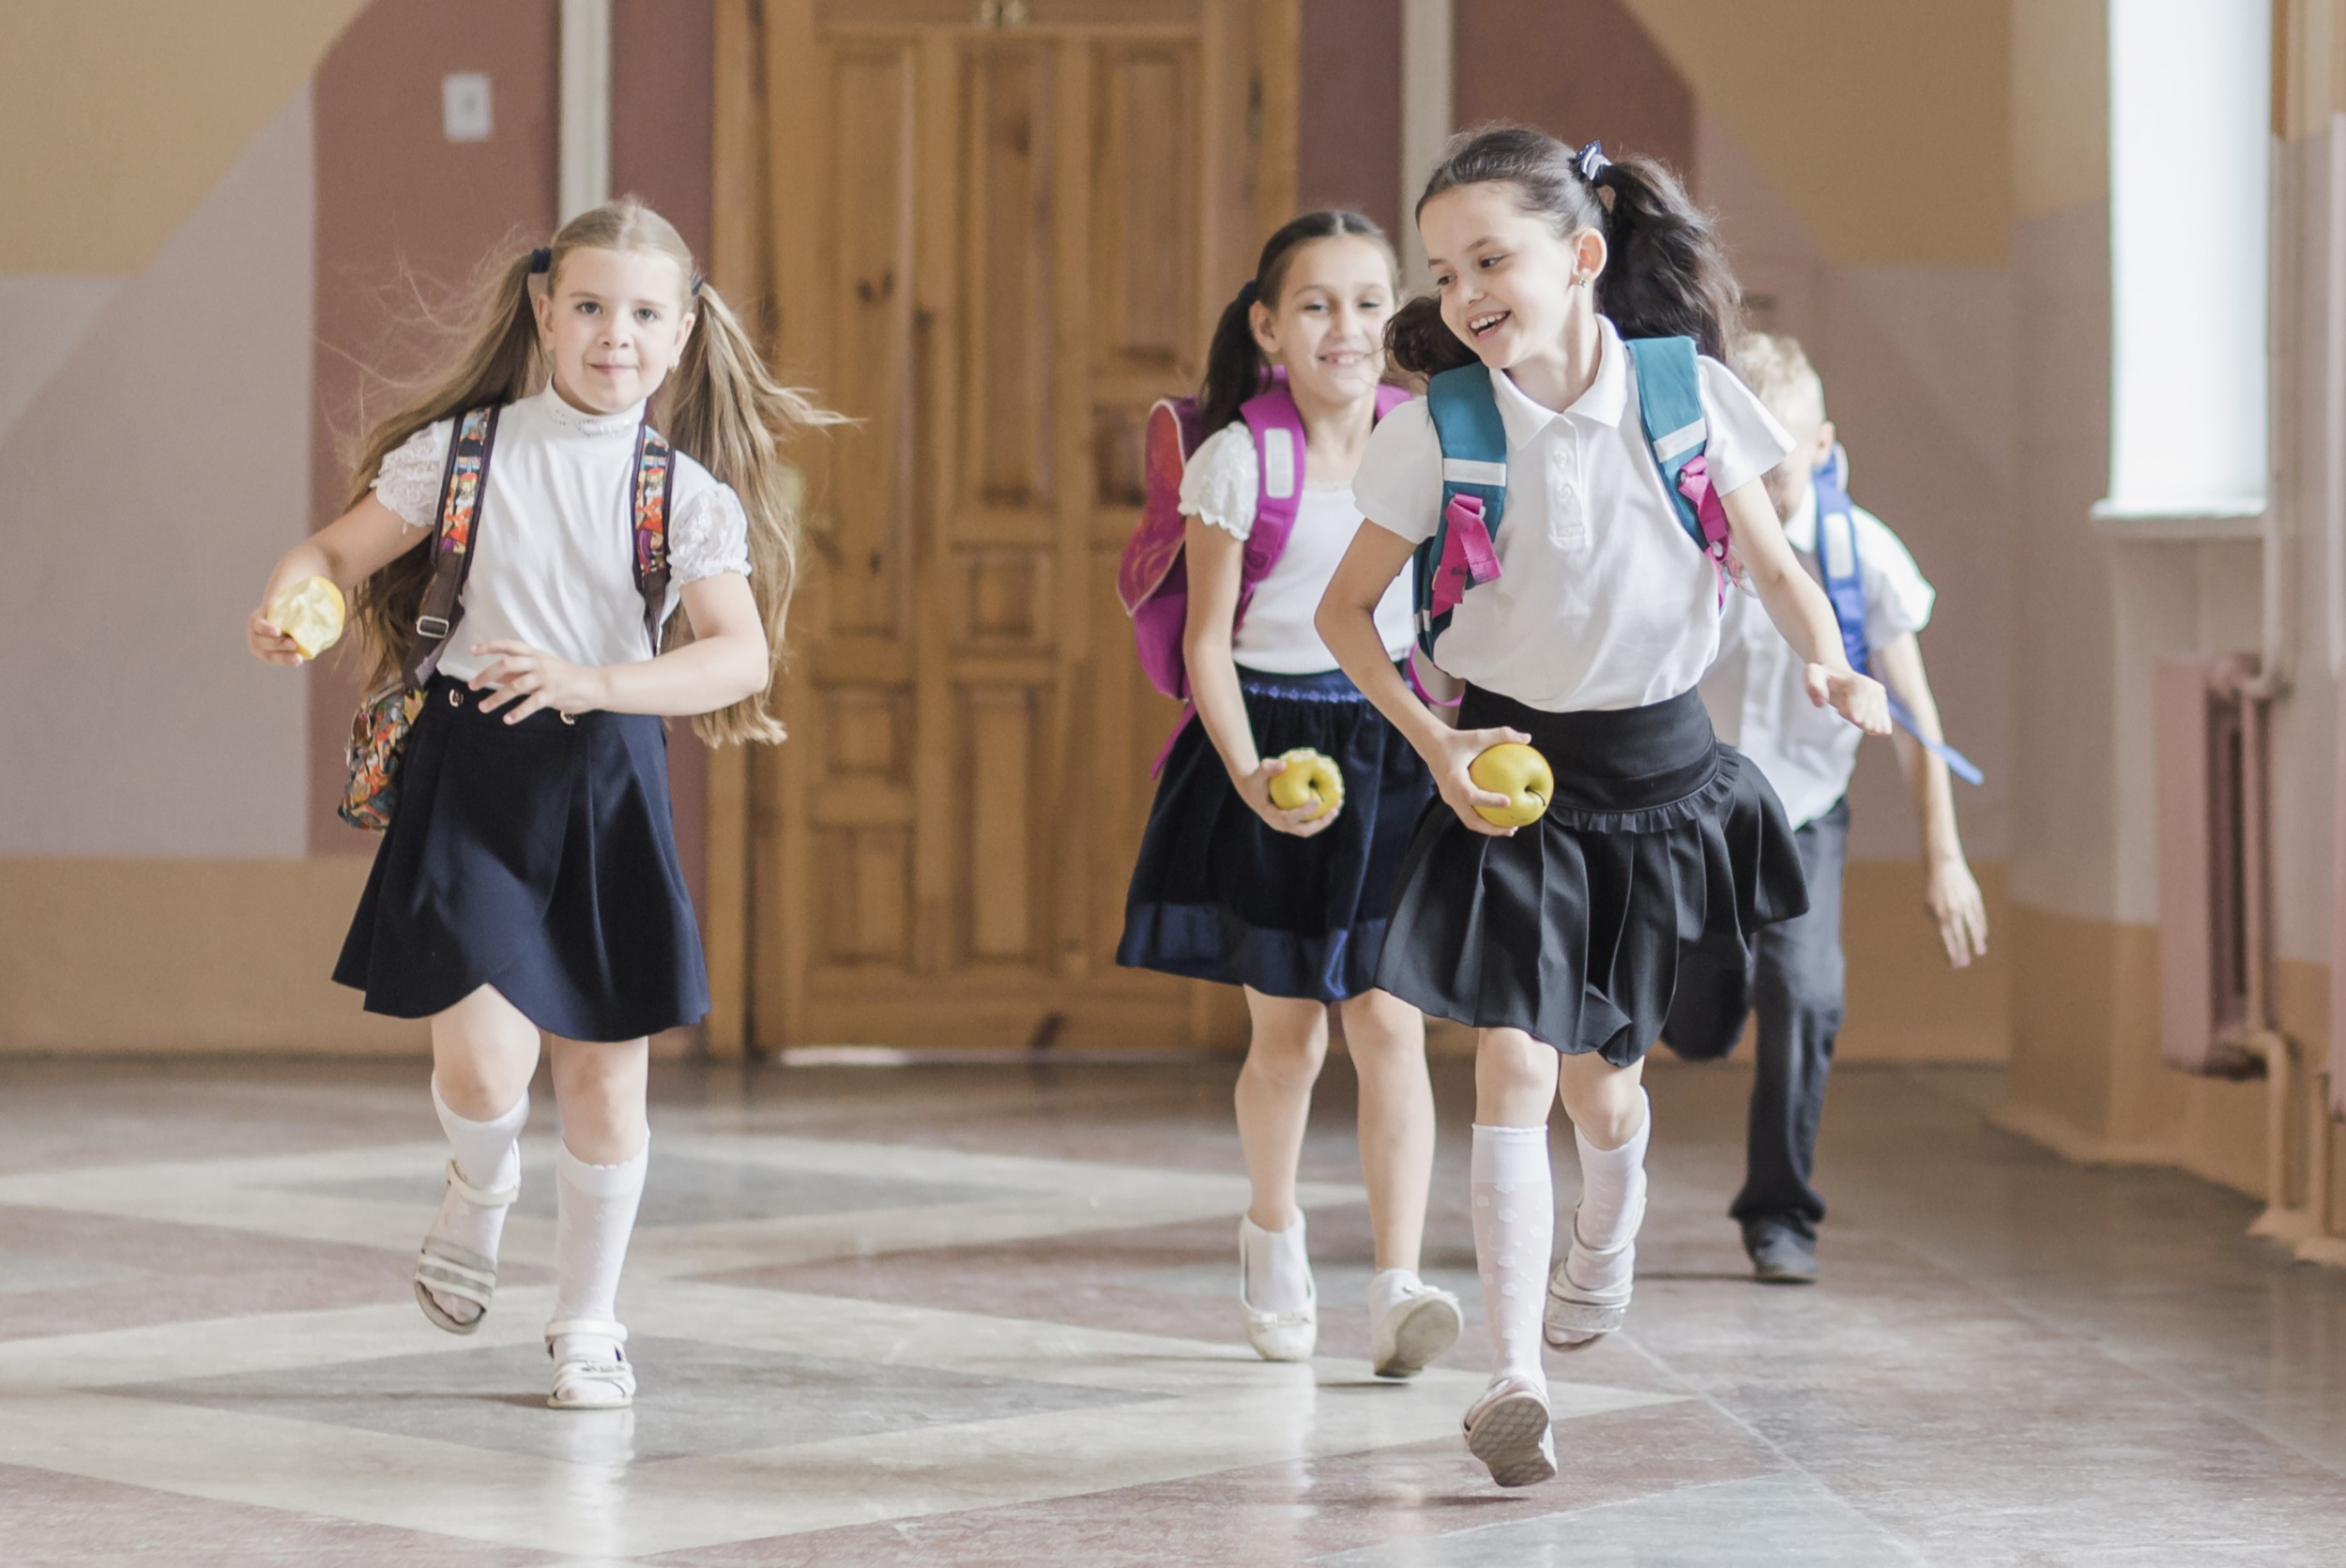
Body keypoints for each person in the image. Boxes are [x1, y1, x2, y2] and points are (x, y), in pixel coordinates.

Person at [1316, 128, 1890, 1488]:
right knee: (1512, 1058)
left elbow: (1773, 558)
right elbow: (1350, 614)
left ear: (1581, 258)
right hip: (1510, 777)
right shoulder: (1441, 425)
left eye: (1490, 258)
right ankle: (1515, 1376)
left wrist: (1827, 654)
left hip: (1660, 778)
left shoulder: (1686, 392)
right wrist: (1433, 742)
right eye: (1444, 270)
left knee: (1605, 1089)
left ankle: (1608, 1227)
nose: (1462, 292)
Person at [246, 198, 833, 1410]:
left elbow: (737, 656)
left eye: (642, 314)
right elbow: (331, 556)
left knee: (605, 1075)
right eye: (589, 307)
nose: (614, 334)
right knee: (478, 1065)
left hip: (606, 779)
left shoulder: (682, 495)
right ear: (541, 313)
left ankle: (589, 1321)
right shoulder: (464, 454)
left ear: (679, 337)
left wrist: (595, 681)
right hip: (473, 773)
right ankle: (480, 1179)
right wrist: (290, 604)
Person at [1118, 212, 1463, 1378]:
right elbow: (1208, 644)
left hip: (1393, 743)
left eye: (1370, 303)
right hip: (1274, 742)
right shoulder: (1240, 458)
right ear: (1268, 325)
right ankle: (1272, 1231)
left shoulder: (1424, 436)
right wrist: (1249, 774)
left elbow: (1447, 604)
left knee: (1390, 1023)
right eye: (1316, 305)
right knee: (1289, 1039)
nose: (1348, 329)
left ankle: (1399, 1284)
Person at [1665, 331, 1988, 1284]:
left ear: (1820, 443)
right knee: (1696, 1028)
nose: (1761, 481)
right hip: (1700, 813)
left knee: (1803, 997)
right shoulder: (1696, 541)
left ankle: (1780, 1215)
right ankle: (1695, 1005)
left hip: (1803, 816)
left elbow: (1919, 718)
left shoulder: (1861, 555)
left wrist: (1944, 856)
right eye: (1744, 455)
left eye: (1782, 455)